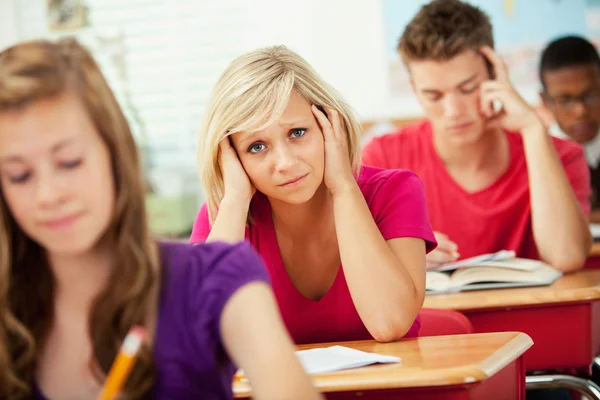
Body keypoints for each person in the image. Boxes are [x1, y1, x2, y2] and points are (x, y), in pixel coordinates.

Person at [0, 38, 321, 400]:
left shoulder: (216, 278)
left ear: (116, 154)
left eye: (70, 162)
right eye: (19, 176)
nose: (48, 195)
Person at [191, 46, 436, 344]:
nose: (286, 163)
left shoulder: (395, 192)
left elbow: (389, 323)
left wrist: (343, 187)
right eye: (256, 146)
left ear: (329, 124)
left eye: (297, 133)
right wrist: (234, 200)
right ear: (231, 157)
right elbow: (200, 339)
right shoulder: (224, 215)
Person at [361, 0, 591, 272]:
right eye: (433, 95)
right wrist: (399, 256)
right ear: (414, 89)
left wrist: (532, 129)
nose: (453, 111)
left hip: (526, 314)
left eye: (468, 88)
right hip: (434, 314)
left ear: (495, 74)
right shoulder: (383, 158)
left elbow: (567, 256)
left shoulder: (560, 154)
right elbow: (352, 264)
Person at [540, 35, 600, 222]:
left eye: (590, 96)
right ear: (545, 101)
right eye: (565, 100)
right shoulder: (541, 156)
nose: (580, 111)